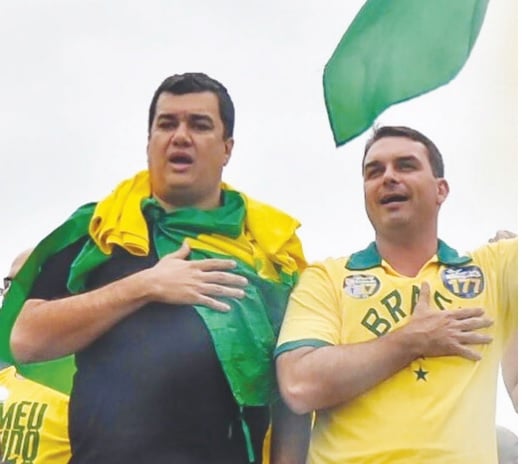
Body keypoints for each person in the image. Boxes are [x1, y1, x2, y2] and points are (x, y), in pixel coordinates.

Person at [6, 72, 310, 464]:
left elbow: (291, 392)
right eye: (167, 124)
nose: (180, 136)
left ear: (227, 148)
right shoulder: (101, 230)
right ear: (149, 141)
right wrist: (145, 285)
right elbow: (26, 340)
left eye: (199, 125)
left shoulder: (268, 251)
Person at [275, 125, 517, 463]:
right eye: (374, 171)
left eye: (406, 165)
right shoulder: (326, 278)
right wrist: (410, 341)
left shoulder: (497, 267)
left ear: (441, 190)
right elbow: (299, 387)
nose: (388, 177)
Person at [0, 248, 71, 464]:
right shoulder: (6, 372)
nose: (7, 295)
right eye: (8, 284)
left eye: (25, 283)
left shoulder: (91, 380)